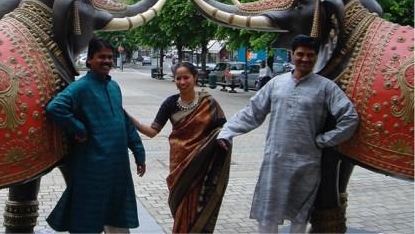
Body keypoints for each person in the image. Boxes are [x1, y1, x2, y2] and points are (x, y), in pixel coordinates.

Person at [217, 35, 359, 234]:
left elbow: (350, 117)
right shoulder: (276, 84)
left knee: (299, 219)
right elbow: (252, 112)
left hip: (307, 164)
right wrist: (227, 132)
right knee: (267, 215)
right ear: (292, 55)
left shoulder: (326, 87)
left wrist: (325, 140)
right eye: (300, 54)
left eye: (310, 55)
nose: (305, 59)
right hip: (274, 162)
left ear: (316, 57)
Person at [46, 37, 146, 233]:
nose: (107, 61)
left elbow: (124, 122)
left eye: (110, 57)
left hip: (118, 168)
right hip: (92, 167)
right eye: (102, 57)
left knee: (117, 215)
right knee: (87, 219)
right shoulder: (80, 87)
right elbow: (55, 107)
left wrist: (138, 152)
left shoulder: (114, 87)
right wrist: (80, 129)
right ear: (89, 60)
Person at [130, 61, 231, 233]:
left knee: (199, 207)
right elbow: (153, 131)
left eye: (186, 77)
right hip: (180, 165)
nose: (182, 82)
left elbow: (223, 129)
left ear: (195, 78)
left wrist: (222, 140)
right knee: (181, 207)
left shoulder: (209, 102)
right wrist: (130, 119)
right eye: (178, 78)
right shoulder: (170, 103)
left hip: (202, 164)